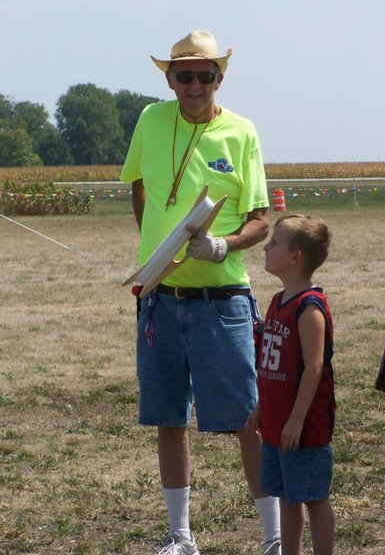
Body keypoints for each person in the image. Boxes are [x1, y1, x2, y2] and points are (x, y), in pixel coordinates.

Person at [120, 30, 281, 555]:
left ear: (219, 78)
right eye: (184, 75)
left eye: (205, 75)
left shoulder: (242, 132)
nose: (194, 84)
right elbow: (138, 185)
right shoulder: (150, 119)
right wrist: (157, 249)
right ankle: (181, 536)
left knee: (249, 420)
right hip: (159, 300)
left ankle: (274, 537)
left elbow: (261, 219)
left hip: (223, 301)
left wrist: (222, 246)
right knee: (168, 418)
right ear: (169, 79)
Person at [245, 214, 336, 555]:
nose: (265, 247)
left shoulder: (309, 309)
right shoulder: (277, 301)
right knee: (287, 496)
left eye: (274, 243)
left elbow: (314, 368)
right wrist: (261, 407)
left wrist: (297, 420)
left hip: (303, 428)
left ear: (295, 257)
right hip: (276, 423)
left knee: (314, 498)